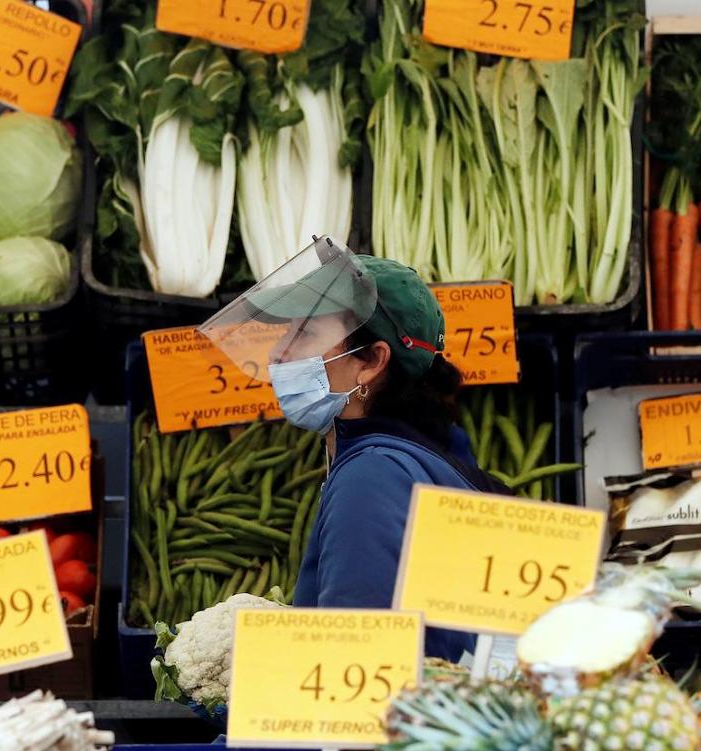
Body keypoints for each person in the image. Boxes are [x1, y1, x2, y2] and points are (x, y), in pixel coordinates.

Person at [199, 237, 507, 661]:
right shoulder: (430, 456)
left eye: (303, 333)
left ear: (372, 361)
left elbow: (352, 664)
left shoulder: (371, 477)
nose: (278, 352)